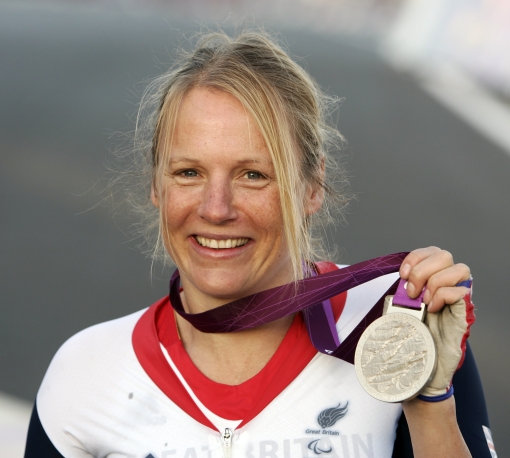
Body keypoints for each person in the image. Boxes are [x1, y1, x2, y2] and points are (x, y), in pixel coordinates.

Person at [25, 30, 493, 458]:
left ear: (312, 186)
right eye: (189, 173)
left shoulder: (397, 333)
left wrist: (430, 402)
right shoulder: (85, 373)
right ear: (156, 185)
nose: (216, 208)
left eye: (253, 175)